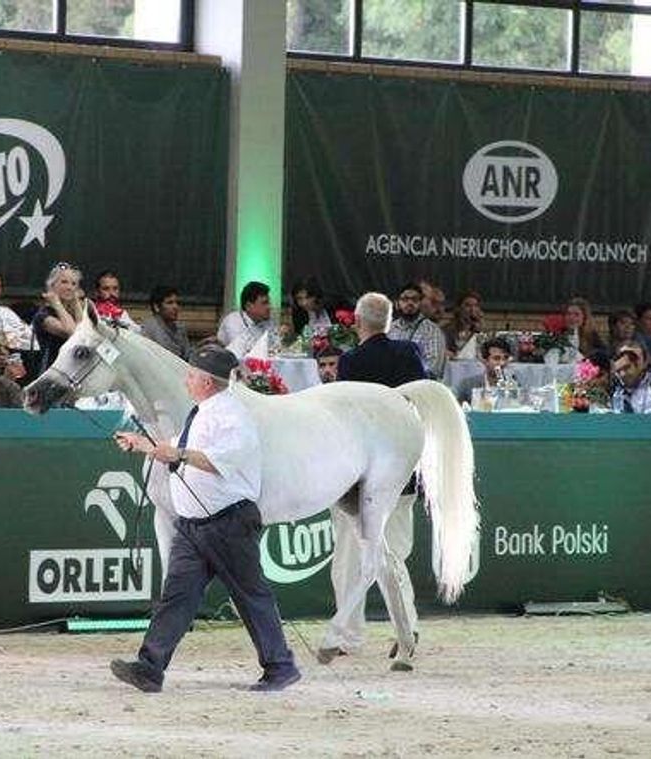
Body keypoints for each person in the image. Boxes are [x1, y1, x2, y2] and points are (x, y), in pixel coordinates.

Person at [109, 345, 300, 693]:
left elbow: (220, 460)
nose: (186, 379)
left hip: (228, 523)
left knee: (250, 595)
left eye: (192, 374)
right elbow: (179, 445)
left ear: (208, 382)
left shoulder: (233, 416)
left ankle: (280, 666)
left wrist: (178, 454)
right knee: (176, 596)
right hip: (194, 524)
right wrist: (143, 444)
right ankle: (150, 667)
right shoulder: (203, 411)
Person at [318, 291, 423, 663]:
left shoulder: (351, 362)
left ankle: (349, 636)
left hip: (360, 480)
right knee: (393, 555)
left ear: (358, 323)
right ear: (390, 322)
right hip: (404, 473)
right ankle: (406, 628)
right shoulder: (409, 355)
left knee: (349, 556)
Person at [32, 262, 84, 369]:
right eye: (64, 282)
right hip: (51, 371)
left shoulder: (73, 313)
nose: (69, 287)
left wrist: (76, 303)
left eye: (74, 284)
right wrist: (56, 303)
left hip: (73, 370)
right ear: (52, 285)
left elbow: (84, 334)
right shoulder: (43, 315)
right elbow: (73, 334)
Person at [388, 281, 445, 378]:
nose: (410, 303)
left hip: (418, 386)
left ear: (420, 303)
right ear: (397, 303)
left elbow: (433, 368)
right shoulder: (390, 328)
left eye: (415, 299)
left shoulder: (432, 330)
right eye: (405, 299)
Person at [216, 281, 275, 358]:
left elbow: (275, 347)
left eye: (269, 303)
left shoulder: (267, 322)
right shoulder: (233, 321)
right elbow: (240, 353)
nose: (269, 307)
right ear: (248, 306)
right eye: (264, 303)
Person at [453, 335, 512, 404]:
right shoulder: (468, 386)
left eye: (505, 358)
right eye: (496, 358)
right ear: (485, 361)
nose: (502, 363)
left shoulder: (513, 386)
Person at [140, 284, 191, 360]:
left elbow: (187, 356)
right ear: (157, 307)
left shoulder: (180, 328)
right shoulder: (148, 330)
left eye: (177, 303)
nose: (175, 307)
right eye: (169, 303)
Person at [442, 289, 484, 359]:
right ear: (459, 308)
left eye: (476, 306)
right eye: (468, 305)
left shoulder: (479, 332)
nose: (472, 310)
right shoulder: (447, 331)